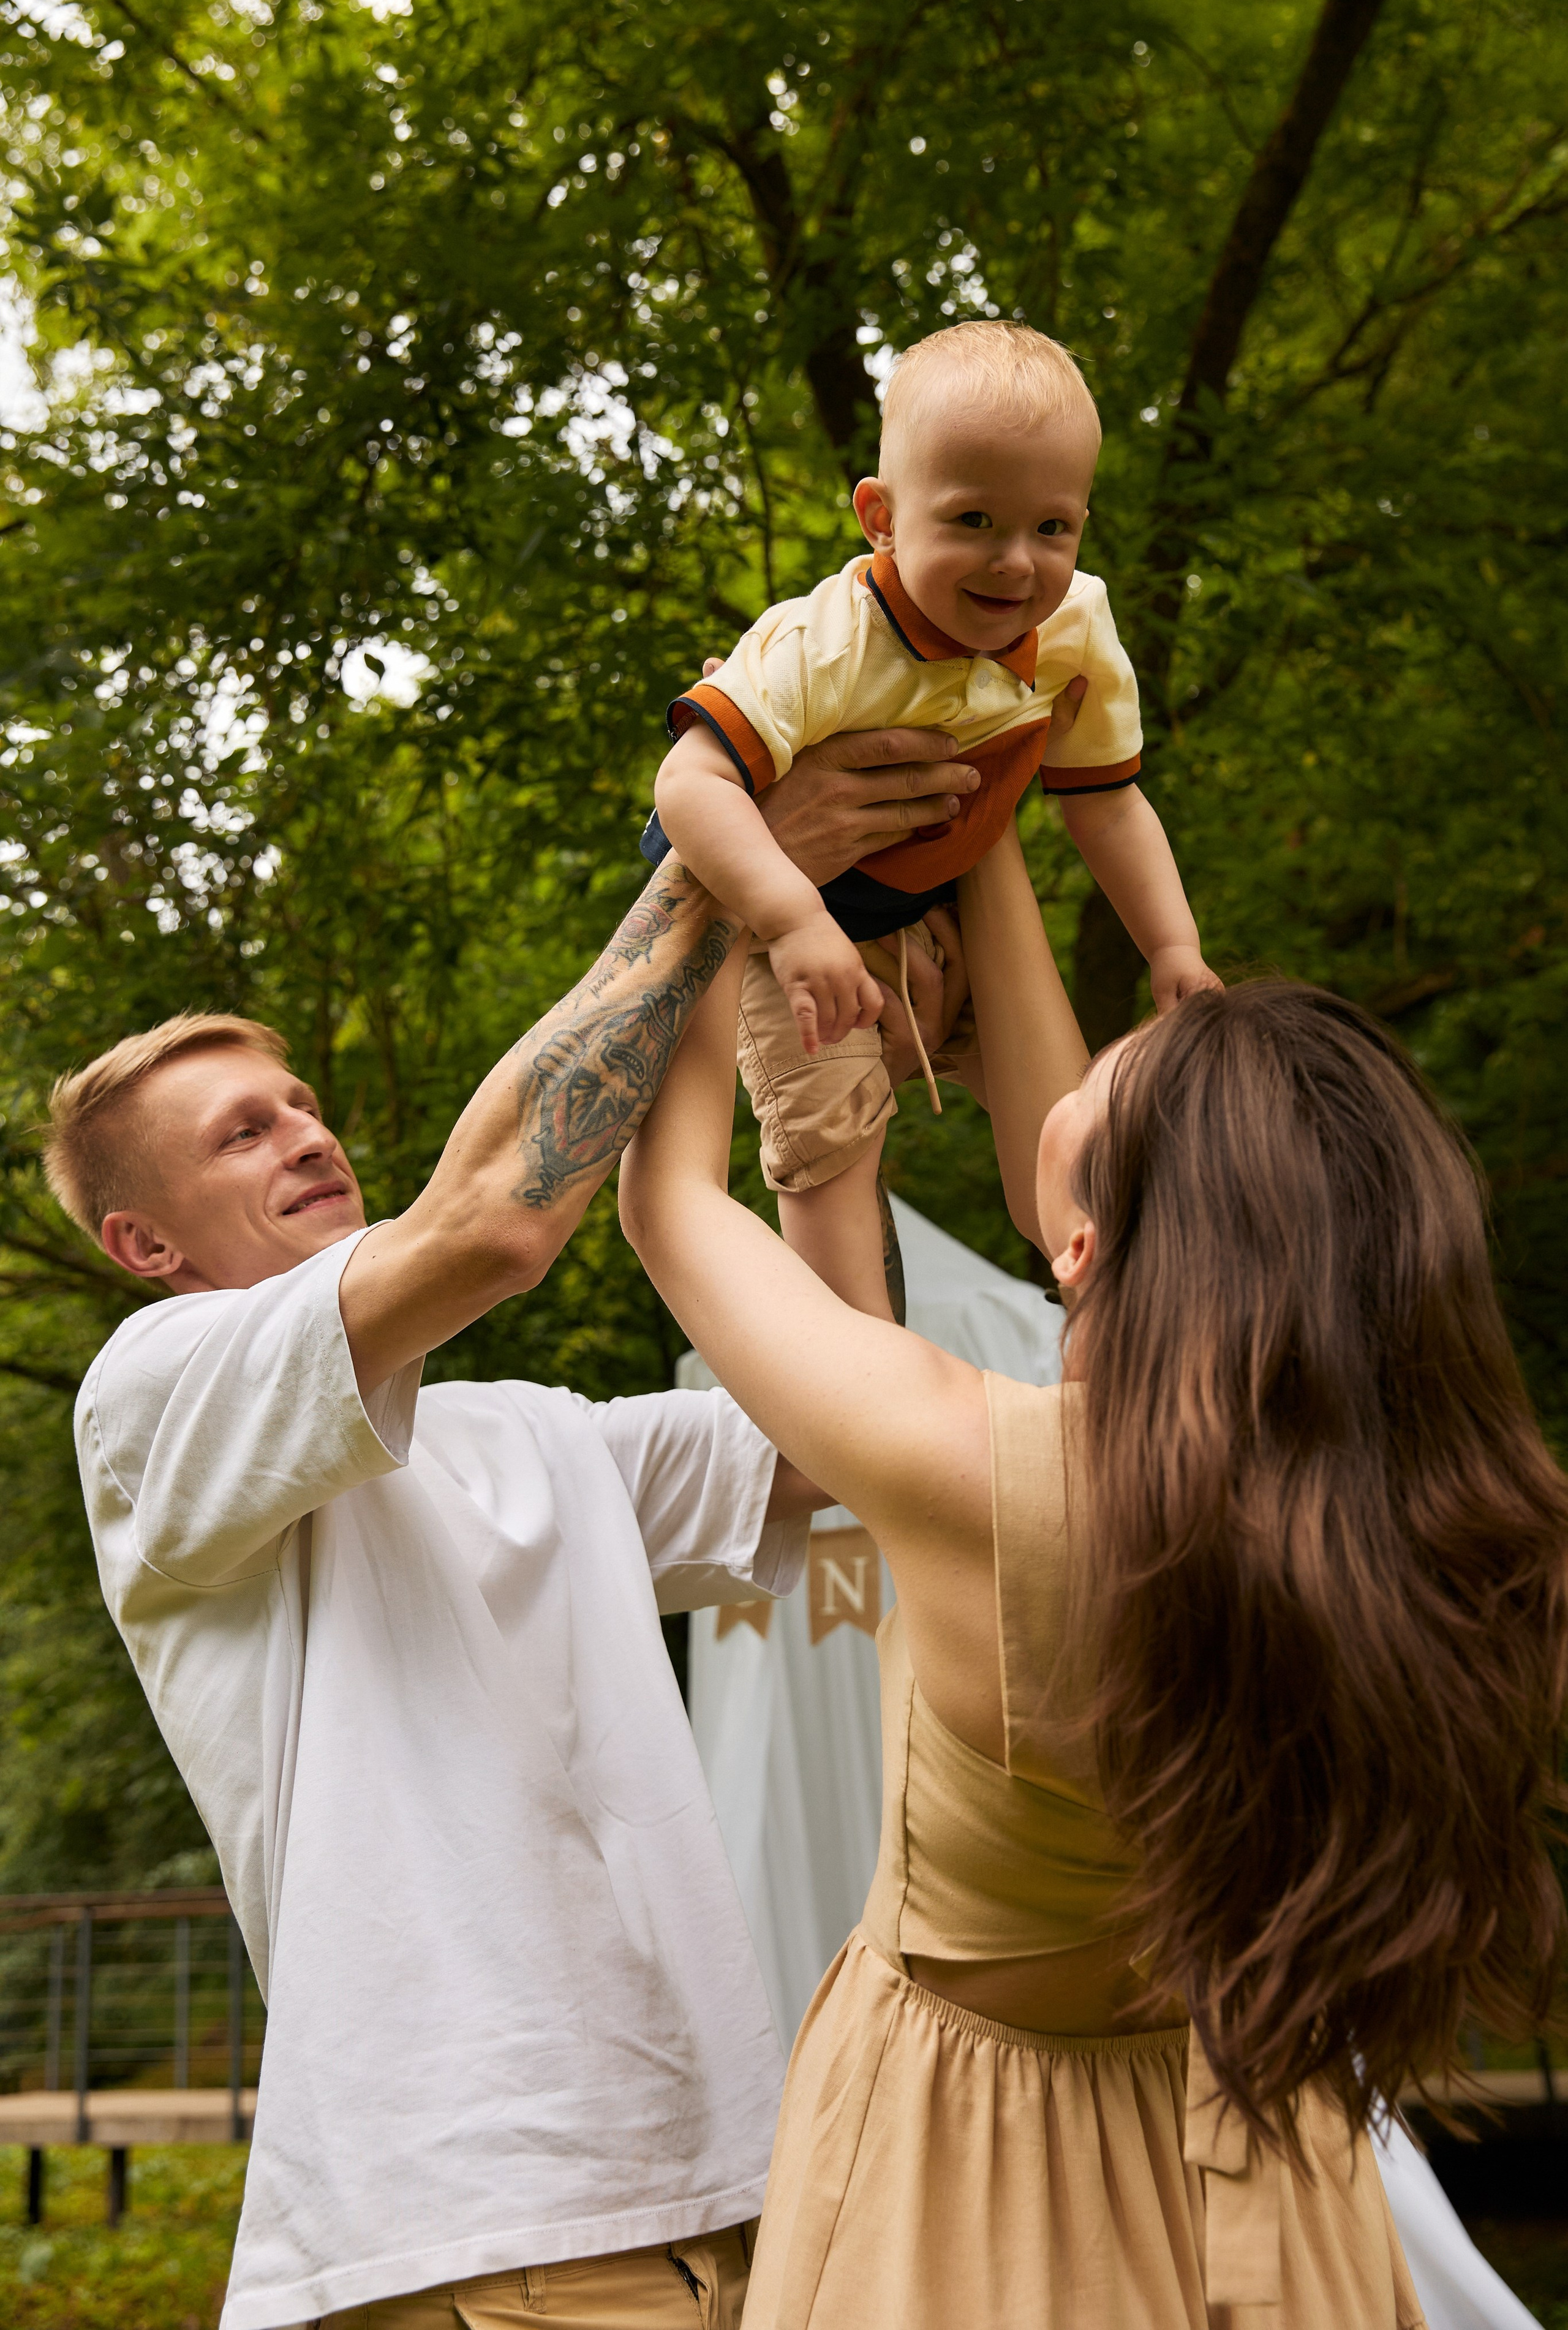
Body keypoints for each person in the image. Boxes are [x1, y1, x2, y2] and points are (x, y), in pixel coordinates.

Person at [47, 727, 976, 2330]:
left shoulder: (532, 1437)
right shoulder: (154, 1407)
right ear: (144, 1242)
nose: (308, 1136)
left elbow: (852, 1434)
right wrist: (711, 862)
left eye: (301, 1103)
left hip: (723, 2197)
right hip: (476, 2235)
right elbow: (494, 1220)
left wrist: (824, 1128)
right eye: (242, 1134)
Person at [619, 823, 1568, 2330]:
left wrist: (705, 871)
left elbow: (668, 1209)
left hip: (964, 2177)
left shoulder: (976, 1472)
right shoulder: (1473, 1530)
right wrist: (987, 805)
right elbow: (1061, 1154)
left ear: (1080, 1250)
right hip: (1264, 2134)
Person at [643, 320, 1219, 1319]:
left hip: (945, 909)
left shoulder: (1075, 625)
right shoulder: (824, 643)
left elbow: (1109, 799)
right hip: (799, 928)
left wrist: (1171, 946)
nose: (1016, 563)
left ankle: (1132, 1314)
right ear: (881, 517)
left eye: (1052, 528)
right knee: (831, 1138)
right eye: (974, 521)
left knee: (1089, 1137)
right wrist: (791, 921)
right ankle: (853, 1342)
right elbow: (688, 789)